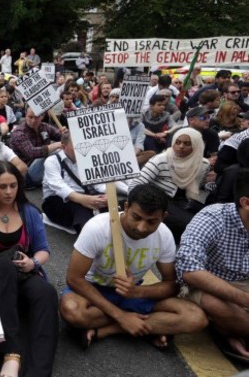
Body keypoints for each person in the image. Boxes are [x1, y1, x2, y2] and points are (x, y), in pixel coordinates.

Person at [59, 184, 207, 351]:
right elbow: (74, 278)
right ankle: (152, 326)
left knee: (196, 318)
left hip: (133, 293)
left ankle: (108, 330)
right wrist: (120, 315)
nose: (141, 227)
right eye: (136, 217)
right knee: (72, 311)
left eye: (152, 221)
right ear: (126, 207)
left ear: (163, 216)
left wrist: (136, 292)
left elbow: (172, 284)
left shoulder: (164, 235)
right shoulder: (97, 227)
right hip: (94, 289)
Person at [0, 161, 58, 377]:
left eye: (13, 186)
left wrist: (33, 263)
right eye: (2, 186)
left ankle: (39, 372)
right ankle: (11, 354)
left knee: (47, 293)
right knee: (4, 266)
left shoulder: (29, 212)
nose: (8, 192)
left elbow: (43, 250)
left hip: (23, 270)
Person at [176, 168, 249, 359]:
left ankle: (228, 329)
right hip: (208, 284)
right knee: (215, 304)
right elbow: (189, 270)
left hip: (244, 284)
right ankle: (228, 327)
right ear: (246, 203)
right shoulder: (214, 217)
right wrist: (242, 299)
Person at [128, 128, 211, 241]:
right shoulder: (161, 160)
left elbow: (198, 188)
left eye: (187, 144)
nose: (181, 146)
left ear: (196, 145)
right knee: (190, 225)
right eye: (177, 142)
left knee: (206, 221)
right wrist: (144, 205)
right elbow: (135, 184)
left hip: (185, 202)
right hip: (159, 201)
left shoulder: (203, 164)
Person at [42, 132, 126, 234]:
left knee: (115, 204)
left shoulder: (87, 159)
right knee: (80, 208)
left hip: (85, 195)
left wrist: (107, 195)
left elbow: (97, 181)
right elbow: (59, 187)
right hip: (58, 201)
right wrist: (83, 199)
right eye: (76, 147)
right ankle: (91, 236)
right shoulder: (52, 161)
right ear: (64, 147)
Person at [10, 107, 63, 188]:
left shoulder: (45, 127)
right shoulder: (19, 133)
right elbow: (31, 153)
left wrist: (65, 134)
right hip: (28, 173)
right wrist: (56, 145)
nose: (33, 120)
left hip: (42, 168)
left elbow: (62, 138)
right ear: (26, 115)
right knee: (56, 152)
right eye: (30, 117)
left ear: (42, 116)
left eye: (36, 117)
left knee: (64, 149)